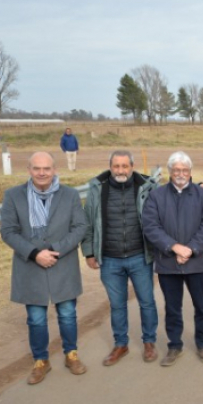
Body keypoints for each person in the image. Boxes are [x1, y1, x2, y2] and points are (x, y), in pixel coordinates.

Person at [0, 151, 88, 384]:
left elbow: (80, 227)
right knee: (36, 318)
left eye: (46, 168)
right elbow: (8, 231)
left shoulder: (69, 195)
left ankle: (71, 354)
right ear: (29, 170)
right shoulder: (13, 196)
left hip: (62, 263)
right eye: (37, 168)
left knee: (68, 314)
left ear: (54, 170)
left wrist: (55, 249)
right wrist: (35, 253)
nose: (41, 173)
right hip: (30, 266)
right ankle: (41, 361)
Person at [82, 150, 160, 366]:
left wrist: (198, 184)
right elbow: (88, 221)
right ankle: (121, 344)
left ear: (132, 167)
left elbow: (172, 197)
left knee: (147, 302)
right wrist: (89, 252)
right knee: (117, 305)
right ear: (110, 166)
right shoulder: (98, 188)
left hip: (140, 257)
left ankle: (149, 342)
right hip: (109, 259)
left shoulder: (147, 186)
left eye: (125, 166)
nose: (120, 170)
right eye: (116, 166)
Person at [142, 151, 203, 366]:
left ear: (191, 172)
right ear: (170, 172)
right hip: (168, 263)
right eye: (176, 170)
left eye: (184, 170)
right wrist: (174, 247)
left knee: (202, 305)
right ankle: (174, 345)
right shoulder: (156, 196)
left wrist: (191, 249)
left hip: (197, 262)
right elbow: (151, 226)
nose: (180, 173)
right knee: (172, 307)